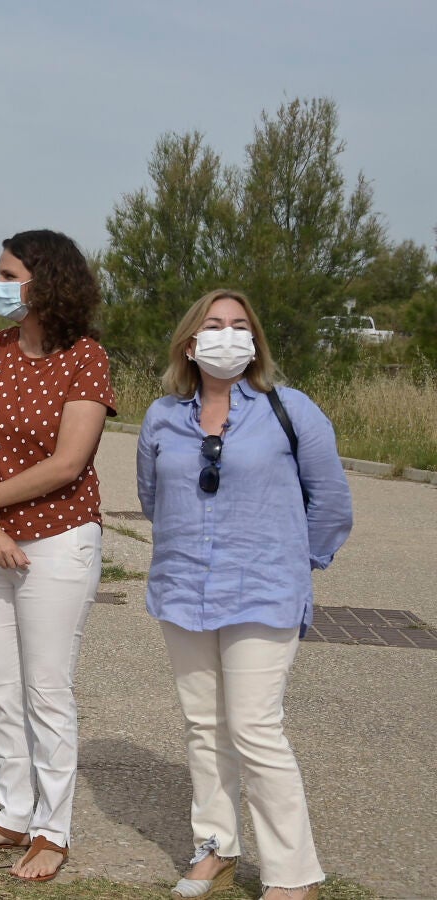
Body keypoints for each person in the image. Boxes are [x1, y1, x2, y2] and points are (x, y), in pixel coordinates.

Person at [137, 290, 351, 900]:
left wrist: (293, 564)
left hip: (263, 592)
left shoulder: (291, 410)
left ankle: (293, 875)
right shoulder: (161, 417)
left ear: (254, 341)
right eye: (214, 325)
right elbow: (153, 499)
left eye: (239, 325)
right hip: (184, 591)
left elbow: (331, 502)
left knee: (256, 728)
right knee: (204, 726)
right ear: (190, 343)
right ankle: (216, 849)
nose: (227, 335)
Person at [0, 229, 115, 882]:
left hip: (58, 540)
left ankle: (52, 830)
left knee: (46, 688)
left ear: (47, 282)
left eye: (8, 274)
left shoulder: (86, 358)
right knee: (1, 687)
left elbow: (67, 463)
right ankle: (13, 813)